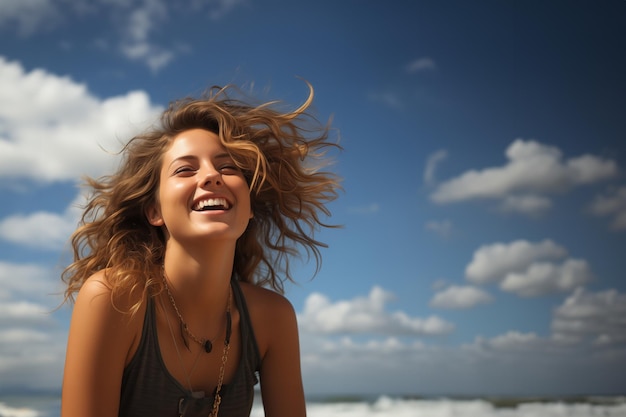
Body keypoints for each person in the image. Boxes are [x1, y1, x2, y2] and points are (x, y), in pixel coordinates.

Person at [60, 82, 340, 417]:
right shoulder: (114, 300)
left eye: (229, 167)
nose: (211, 176)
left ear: (249, 206)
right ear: (155, 211)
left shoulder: (272, 319)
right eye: (185, 169)